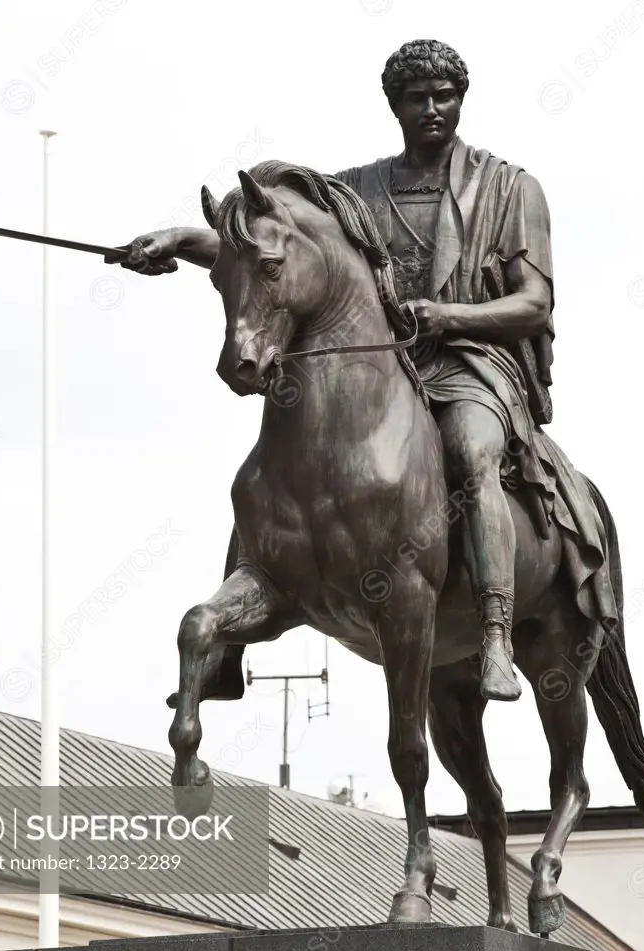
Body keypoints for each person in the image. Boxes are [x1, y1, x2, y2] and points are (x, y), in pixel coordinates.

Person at [110, 39, 616, 703]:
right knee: (275, 466)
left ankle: (495, 634)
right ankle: (228, 649)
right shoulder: (356, 193)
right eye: (418, 98)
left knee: (470, 449)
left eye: (445, 95)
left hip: (468, 366)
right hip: (372, 373)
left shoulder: (508, 187)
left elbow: (533, 302)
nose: (433, 108)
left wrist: (447, 316)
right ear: (395, 106)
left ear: (461, 100)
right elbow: (269, 255)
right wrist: (176, 240)